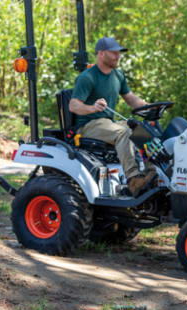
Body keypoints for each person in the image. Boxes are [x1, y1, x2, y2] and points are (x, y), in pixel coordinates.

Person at [69, 37, 156, 197]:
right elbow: (73, 105)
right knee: (123, 133)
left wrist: (150, 107)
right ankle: (134, 180)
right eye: (114, 53)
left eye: (119, 53)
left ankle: (153, 172)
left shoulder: (118, 75)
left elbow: (131, 99)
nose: (118, 56)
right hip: (89, 125)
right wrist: (93, 108)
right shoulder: (87, 77)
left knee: (141, 130)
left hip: (108, 123)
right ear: (101, 54)